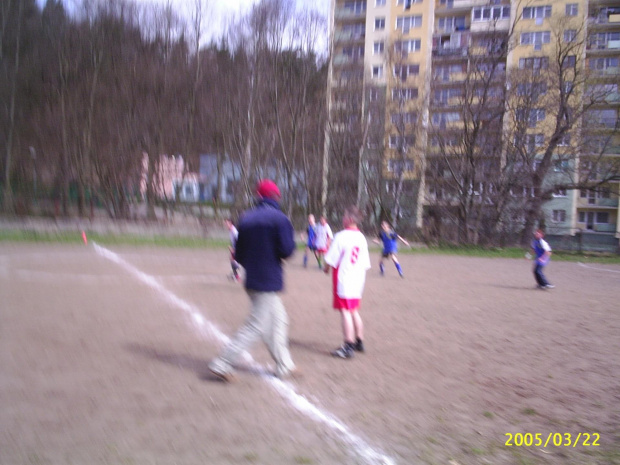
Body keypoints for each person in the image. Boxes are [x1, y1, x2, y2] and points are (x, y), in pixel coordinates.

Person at [209, 180, 298, 381]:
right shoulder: (280, 219)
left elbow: (238, 255)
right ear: (276, 197)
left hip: (253, 279)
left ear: (259, 197)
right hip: (268, 280)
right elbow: (287, 250)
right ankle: (222, 362)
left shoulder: (246, 218)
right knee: (256, 325)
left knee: (279, 319)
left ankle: (285, 364)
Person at [323, 206, 371, 359]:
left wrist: (326, 268)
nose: (342, 219)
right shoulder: (362, 237)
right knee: (353, 310)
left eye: (344, 216)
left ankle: (348, 346)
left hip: (345, 278)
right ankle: (359, 341)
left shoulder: (341, 236)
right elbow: (365, 263)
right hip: (358, 279)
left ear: (350, 219)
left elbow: (331, 257)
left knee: (345, 311)